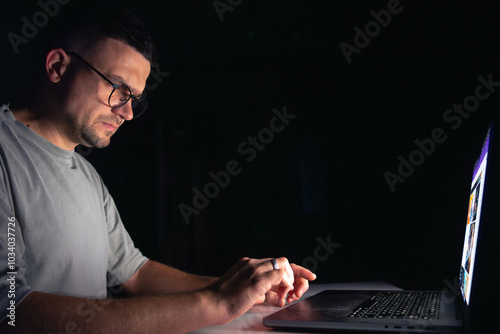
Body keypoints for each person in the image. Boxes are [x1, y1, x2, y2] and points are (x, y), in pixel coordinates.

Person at [0, 3, 316, 333]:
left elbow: (135, 273)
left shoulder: (86, 175)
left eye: (134, 98)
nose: (128, 113)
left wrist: (245, 288)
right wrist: (216, 302)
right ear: (58, 66)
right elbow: (10, 311)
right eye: (118, 90)